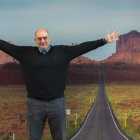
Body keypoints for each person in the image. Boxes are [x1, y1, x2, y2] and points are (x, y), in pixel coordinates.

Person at [0, 29, 120, 140]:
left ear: (49, 38)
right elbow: (5, 46)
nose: (43, 41)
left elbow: (82, 47)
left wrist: (104, 41)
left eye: (45, 38)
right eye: (40, 39)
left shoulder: (62, 52)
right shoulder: (25, 53)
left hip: (57, 103)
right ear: (35, 40)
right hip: (34, 104)